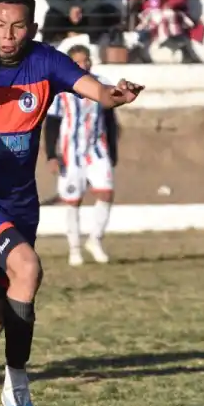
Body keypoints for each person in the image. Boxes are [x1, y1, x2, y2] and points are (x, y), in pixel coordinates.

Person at [0, 0, 142, 406]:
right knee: (26, 268)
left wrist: (115, 95)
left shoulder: (45, 61)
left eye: (18, 26)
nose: (8, 35)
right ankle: (18, 384)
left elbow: (97, 91)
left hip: (18, 199)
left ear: (33, 28)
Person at [43, 44, 120, 265]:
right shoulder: (59, 88)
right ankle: (74, 249)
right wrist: (51, 154)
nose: (84, 65)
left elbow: (110, 120)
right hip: (70, 154)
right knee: (73, 202)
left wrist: (113, 149)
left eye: (86, 60)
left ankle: (95, 240)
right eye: (78, 61)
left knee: (106, 193)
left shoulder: (102, 83)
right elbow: (52, 123)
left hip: (96, 150)